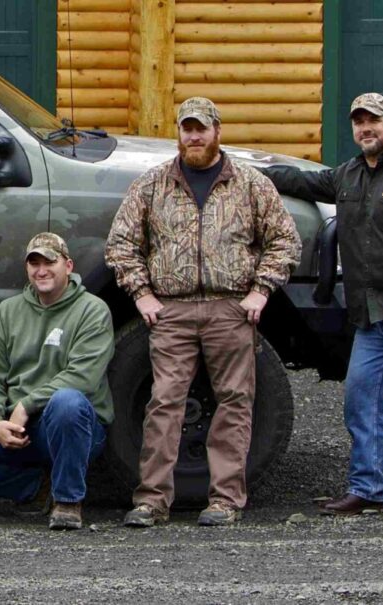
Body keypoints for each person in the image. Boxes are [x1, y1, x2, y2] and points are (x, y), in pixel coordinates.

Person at [260, 93, 383, 518]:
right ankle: (366, 486)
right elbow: (301, 181)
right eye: (358, 122)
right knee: (361, 398)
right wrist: (251, 172)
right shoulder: (348, 175)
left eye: (373, 121)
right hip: (370, 312)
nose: (365, 129)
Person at [105, 97, 300, 527]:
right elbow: (121, 245)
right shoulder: (152, 185)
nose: (193, 136)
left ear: (217, 132)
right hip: (170, 312)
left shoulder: (250, 184)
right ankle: (151, 501)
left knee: (234, 402)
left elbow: (285, 242)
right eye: (186, 128)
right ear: (178, 133)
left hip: (230, 309)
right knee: (164, 403)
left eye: (201, 128)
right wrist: (141, 295)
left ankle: (225, 499)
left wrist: (260, 292)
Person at [0, 233, 114, 530]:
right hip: (17, 427)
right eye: (34, 263)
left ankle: (67, 500)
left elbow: (83, 376)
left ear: (68, 266)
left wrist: (27, 404)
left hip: (73, 427)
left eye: (49, 262)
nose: (41, 271)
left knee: (67, 401)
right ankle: (34, 487)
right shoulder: (9, 310)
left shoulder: (92, 310)